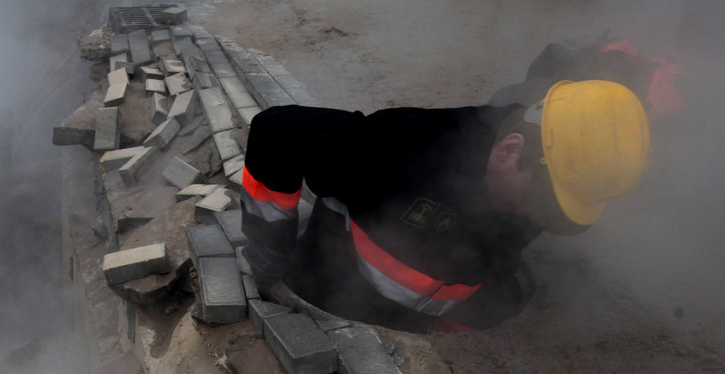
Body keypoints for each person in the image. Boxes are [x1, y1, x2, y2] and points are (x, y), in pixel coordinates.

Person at [240, 79, 650, 334]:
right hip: (327, 296)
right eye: (542, 202)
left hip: (417, 329)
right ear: (511, 150)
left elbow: (497, 263)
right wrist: (269, 245)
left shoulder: (542, 184)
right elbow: (279, 130)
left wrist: (448, 328)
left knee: (512, 292)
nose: (535, 219)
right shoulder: (404, 148)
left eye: (555, 211)